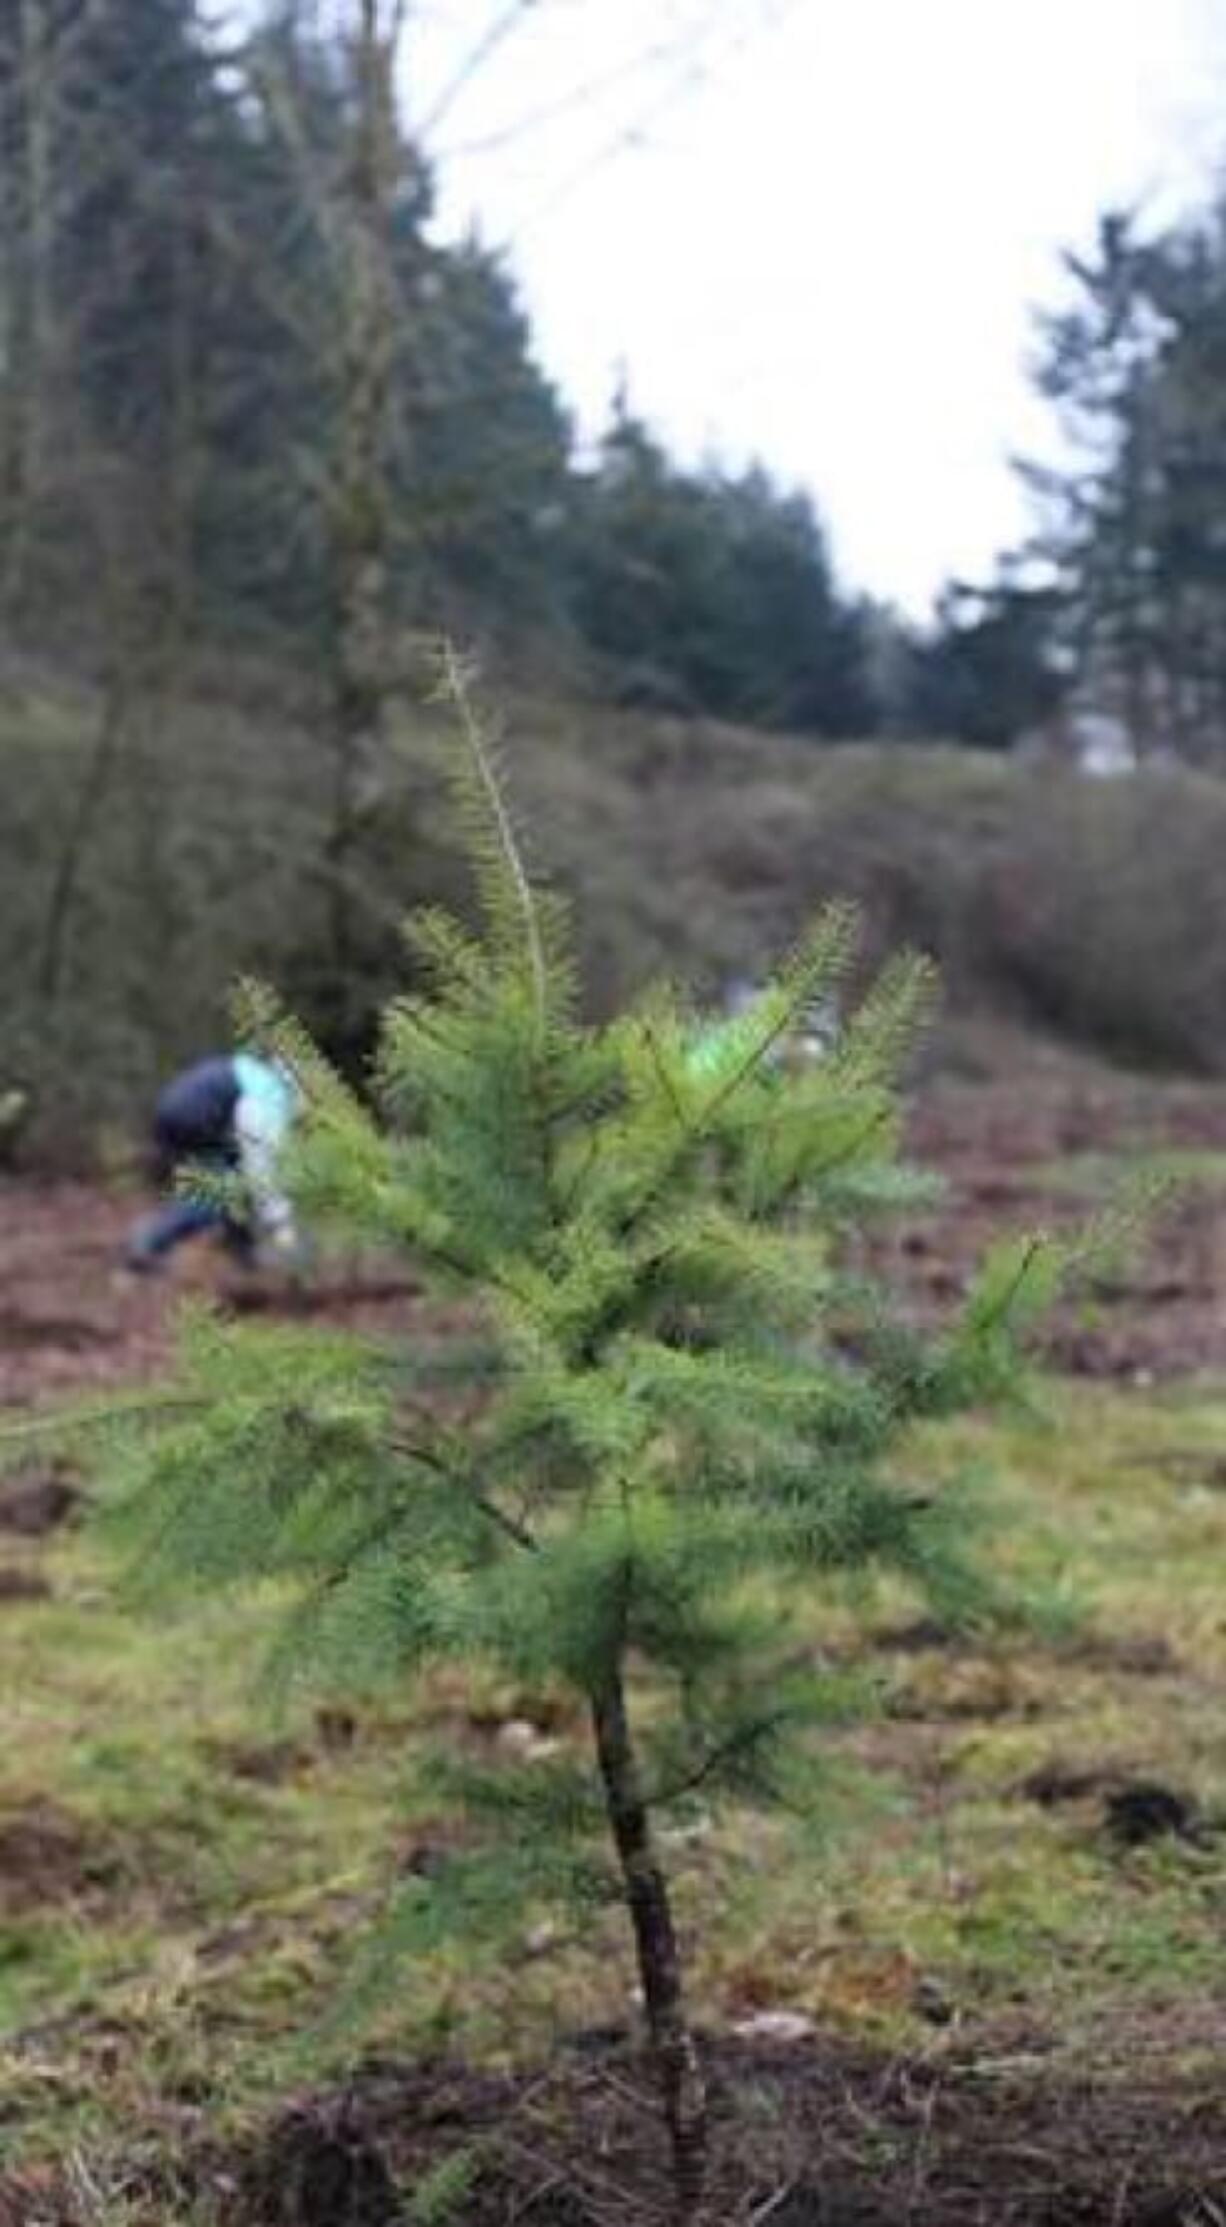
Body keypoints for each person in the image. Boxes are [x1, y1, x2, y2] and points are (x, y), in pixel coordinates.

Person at [125, 1051, 302, 1274]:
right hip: (192, 1116)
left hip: (179, 1108)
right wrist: (282, 1228)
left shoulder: (259, 1077)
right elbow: (262, 1172)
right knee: (217, 1193)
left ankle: (243, 1253)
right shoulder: (269, 1100)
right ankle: (150, 1241)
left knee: (234, 1176)